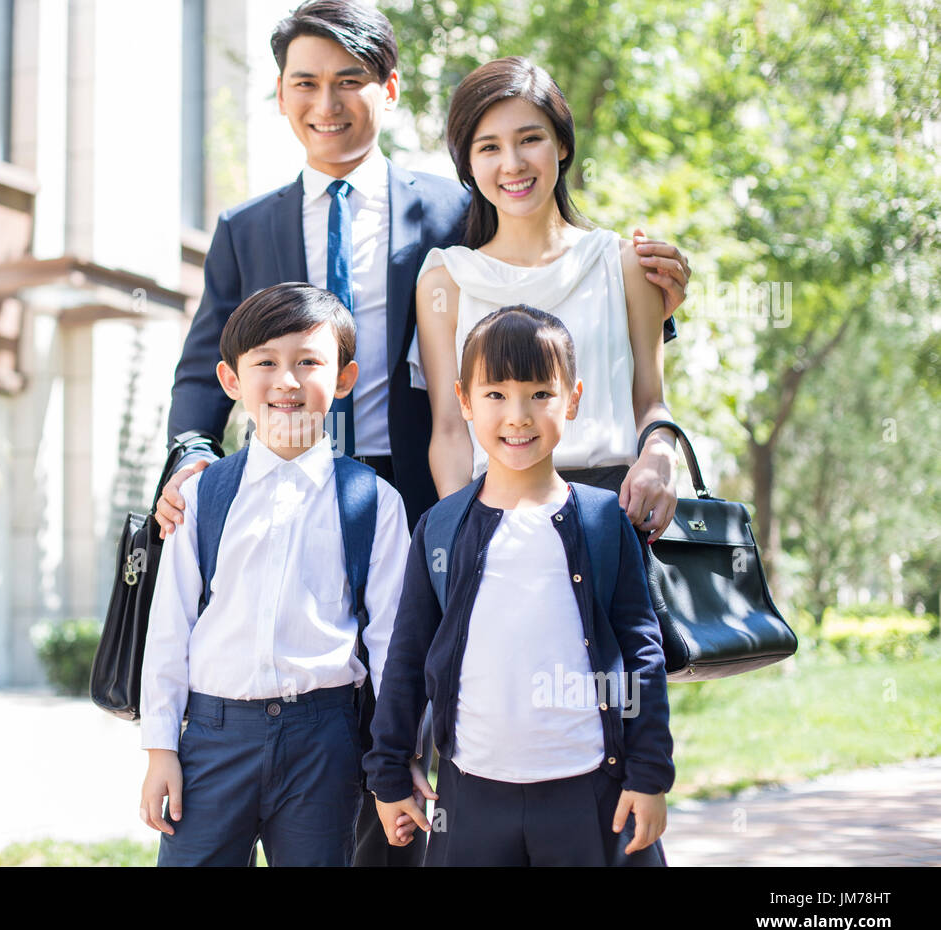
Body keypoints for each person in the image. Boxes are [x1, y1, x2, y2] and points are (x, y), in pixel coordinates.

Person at [154, 0, 689, 866]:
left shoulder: (449, 212)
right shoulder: (243, 229)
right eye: (305, 85)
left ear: (388, 88)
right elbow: (198, 367)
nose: (327, 105)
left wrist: (658, 307)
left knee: (436, 713)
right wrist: (189, 458)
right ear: (281, 96)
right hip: (299, 493)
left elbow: (547, 293)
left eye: (350, 82)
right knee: (335, 714)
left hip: (417, 494)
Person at [365, 305, 674, 866]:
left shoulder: (605, 522)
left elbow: (642, 653)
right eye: (496, 395)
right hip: (470, 797)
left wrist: (650, 773)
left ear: (573, 398)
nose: (518, 416)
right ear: (463, 400)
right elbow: (407, 656)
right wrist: (389, 771)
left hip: (592, 795)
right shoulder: (440, 527)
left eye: (539, 394)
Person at [137, 283, 411, 866]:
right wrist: (161, 749)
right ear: (232, 380)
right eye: (265, 362)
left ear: (343, 379)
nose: (286, 381)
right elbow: (171, 627)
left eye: (308, 362)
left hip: (325, 740)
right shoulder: (202, 494)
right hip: (213, 737)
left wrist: (397, 755)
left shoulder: (373, 501)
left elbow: (392, 641)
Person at [410, 56, 681, 539]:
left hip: (613, 517)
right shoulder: (445, 280)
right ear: (469, 165)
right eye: (489, 147)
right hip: (492, 520)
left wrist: (660, 456)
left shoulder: (623, 265)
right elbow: (450, 429)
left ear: (560, 143)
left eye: (530, 139)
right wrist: (456, 539)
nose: (512, 163)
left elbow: (651, 404)